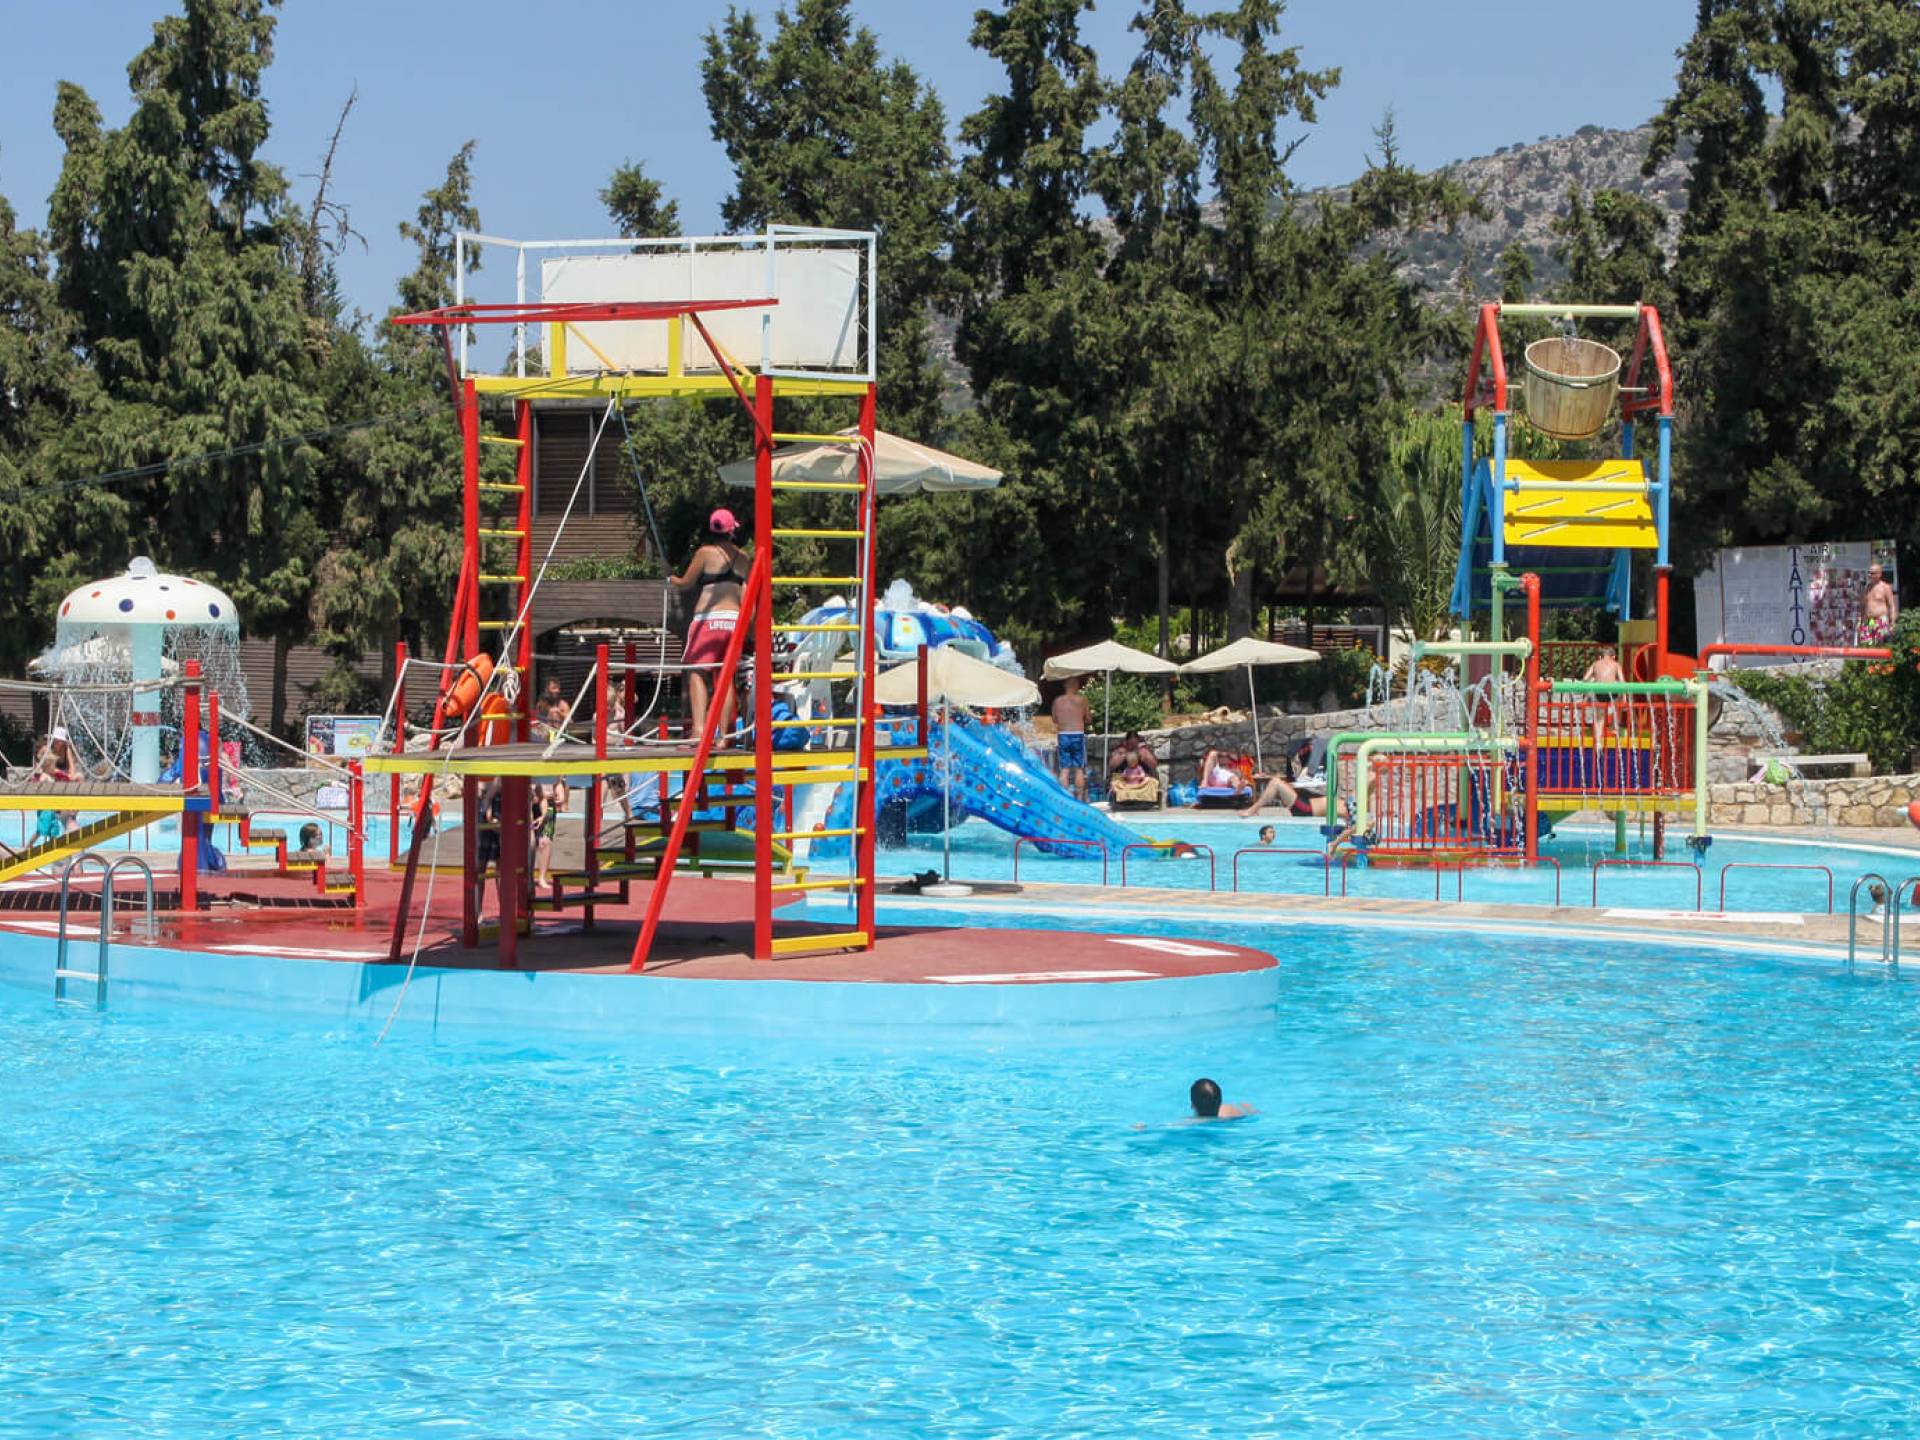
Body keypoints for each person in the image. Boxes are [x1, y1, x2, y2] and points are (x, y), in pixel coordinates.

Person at [673, 508, 749, 745]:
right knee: (725, 677)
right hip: (733, 621)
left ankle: (698, 731)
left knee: (697, 672)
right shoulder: (744, 558)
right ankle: (723, 737)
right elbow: (746, 596)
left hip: (708, 620)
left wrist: (669, 577)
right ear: (731, 530)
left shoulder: (705, 553)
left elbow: (685, 583)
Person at [1051, 675, 1090, 802]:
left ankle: (1065, 798)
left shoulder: (1057, 701)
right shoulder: (1082, 700)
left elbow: (1054, 719)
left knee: (1064, 769)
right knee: (1079, 768)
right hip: (1077, 734)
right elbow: (1088, 718)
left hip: (1063, 734)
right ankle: (1079, 799)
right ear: (1076, 686)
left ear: (1065, 686)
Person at [532, 777, 569, 890]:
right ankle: (528, 875)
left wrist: (560, 794)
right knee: (530, 841)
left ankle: (542, 877)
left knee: (546, 841)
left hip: (549, 805)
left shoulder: (553, 769)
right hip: (532, 802)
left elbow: (558, 782)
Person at [1107, 732, 1161, 808]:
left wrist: (1145, 755)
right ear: (1126, 742)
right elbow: (1111, 766)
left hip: (1141, 782)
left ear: (1138, 742)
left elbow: (1154, 765)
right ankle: (1122, 801)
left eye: (1134, 743)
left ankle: (1146, 801)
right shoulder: (1121, 750)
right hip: (1125, 782)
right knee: (1115, 783)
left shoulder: (1144, 750)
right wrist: (1121, 756)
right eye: (1130, 743)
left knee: (1152, 781)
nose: (1132, 745)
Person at [1239, 773, 1327, 818]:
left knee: (1276, 782)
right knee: (1277, 781)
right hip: (1306, 803)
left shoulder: (1336, 802)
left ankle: (1253, 809)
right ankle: (1255, 808)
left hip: (1306, 808)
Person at [1861, 562, 1899, 645]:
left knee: (1880, 644)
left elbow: (1892, 606)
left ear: (1879, 574)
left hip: (1880, 619)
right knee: (1867, 644)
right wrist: (1861, 620)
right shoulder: (1867, 588)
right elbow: (1863, 605)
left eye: (1872, 573)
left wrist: (1892, 623)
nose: (1869, 575)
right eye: (1869, 572)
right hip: (1869, 620)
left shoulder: (1885, 587)